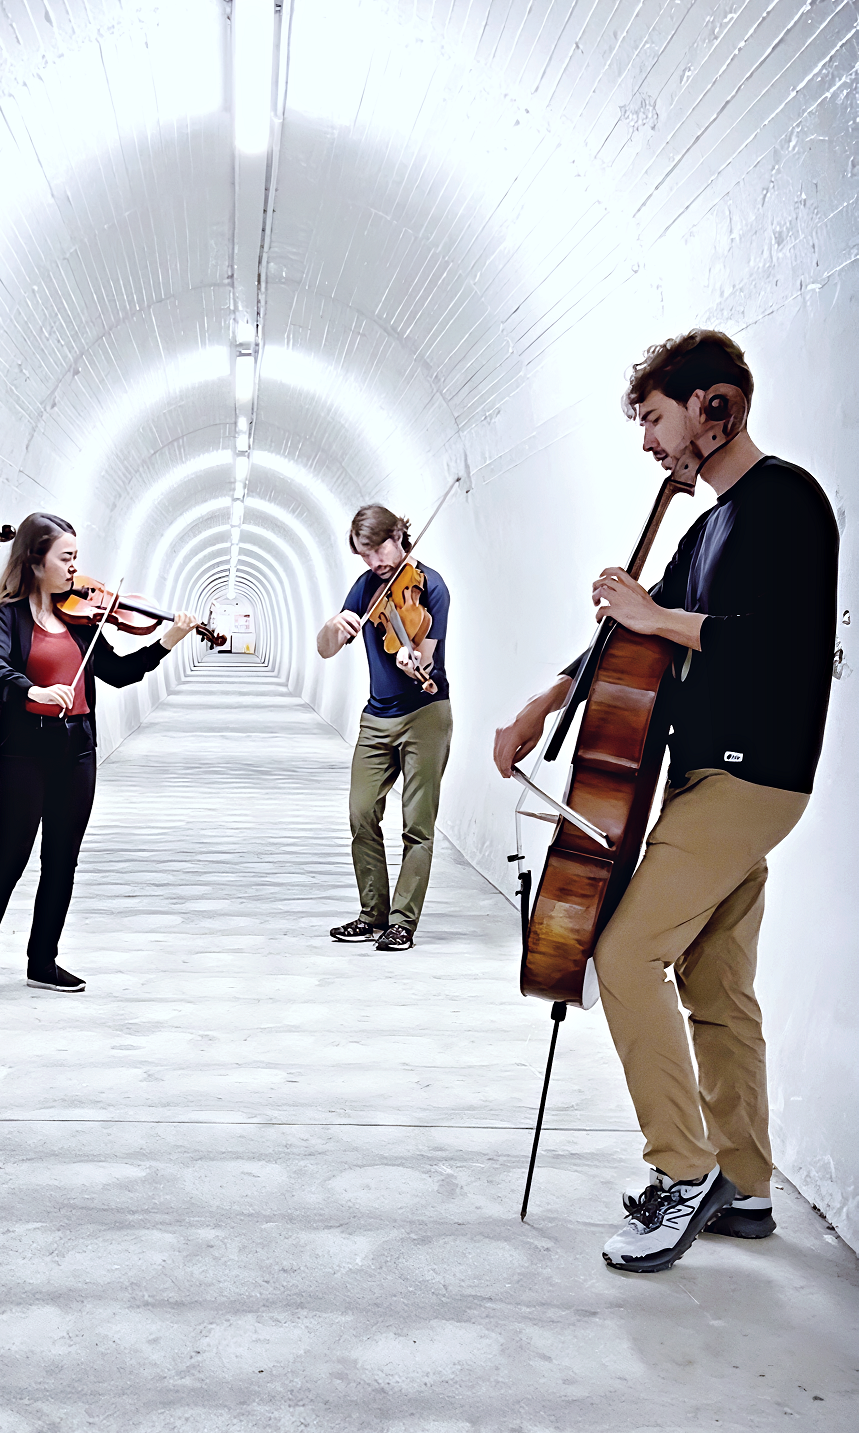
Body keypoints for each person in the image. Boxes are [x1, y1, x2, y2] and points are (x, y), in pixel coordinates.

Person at [493, 330, 838, 1273]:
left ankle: (680, 1170)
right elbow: (631, 639)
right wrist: (544, 702)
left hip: (750, 773)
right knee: (715, 982)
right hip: (705, 773)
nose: (648, 441)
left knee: (624, 951)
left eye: (654, 418)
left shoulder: (788, 501)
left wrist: (656, 613)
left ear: (711, 406)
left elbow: (784, 643)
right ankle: (744, 1182)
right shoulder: (705, 527)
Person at [0, 514, 199, 999]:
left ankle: (43, 961)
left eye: (76, 559)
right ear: (34, 560)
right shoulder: (7, 615)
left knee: (61, 860)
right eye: (65, 558)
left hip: (77, 749)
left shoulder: (81, 618)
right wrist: (34, 692)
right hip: (24, 750)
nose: (74, 569)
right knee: (8, 856)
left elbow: (118, 673)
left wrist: (166, 642)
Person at [316, 505, 452, 953]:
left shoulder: (432, 587)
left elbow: (425, 656)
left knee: (418, 823)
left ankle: (402, 922)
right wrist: (332, 627)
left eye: (378, 550)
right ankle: (371, 914)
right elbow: (326, 650)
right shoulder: (365, 588)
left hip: (425, 715)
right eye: (364, 554)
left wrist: (412, 660)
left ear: (398, 536)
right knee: (361, 812)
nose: (374, 561)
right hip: (376, 717)